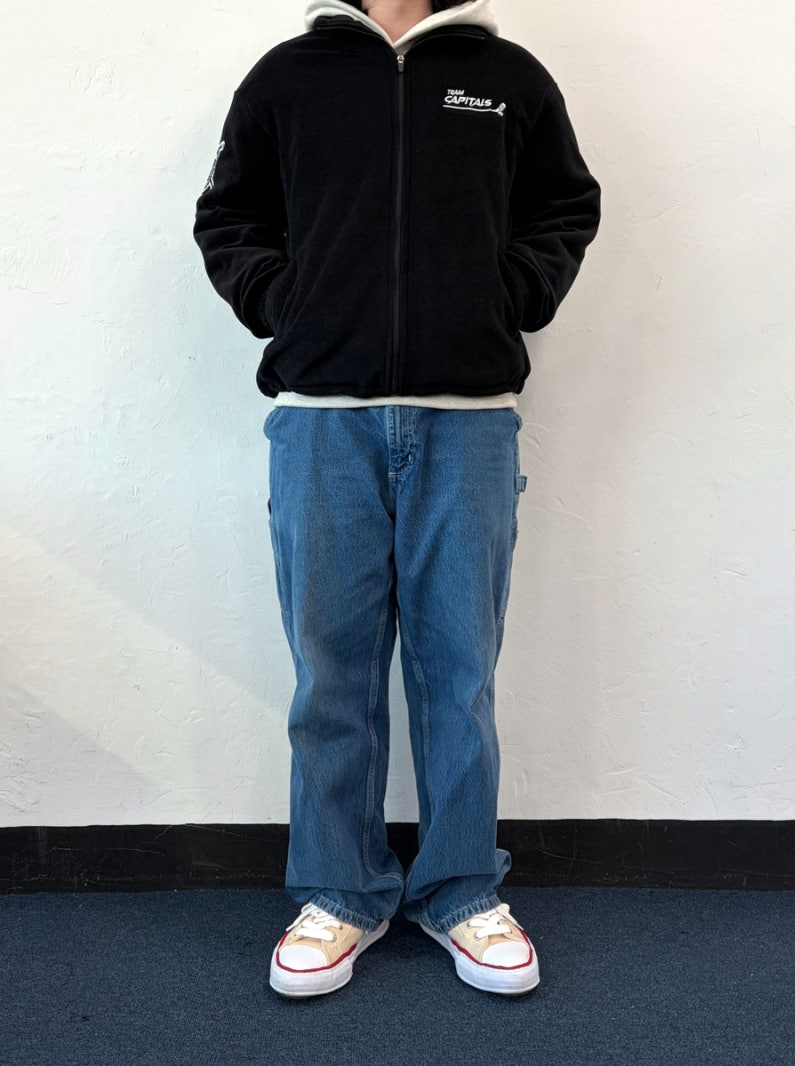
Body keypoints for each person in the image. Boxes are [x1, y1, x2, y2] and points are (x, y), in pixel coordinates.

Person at [193, 0, 600, 998]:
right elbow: (229, 218)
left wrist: (508, 294)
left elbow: (564, 207)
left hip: (468, 420)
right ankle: (341, 891)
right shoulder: (288, 77)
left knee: (458, 670)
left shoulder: (508, 79)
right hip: (321, 421)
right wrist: (285, 304)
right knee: (330, 675)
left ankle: (461, 890)